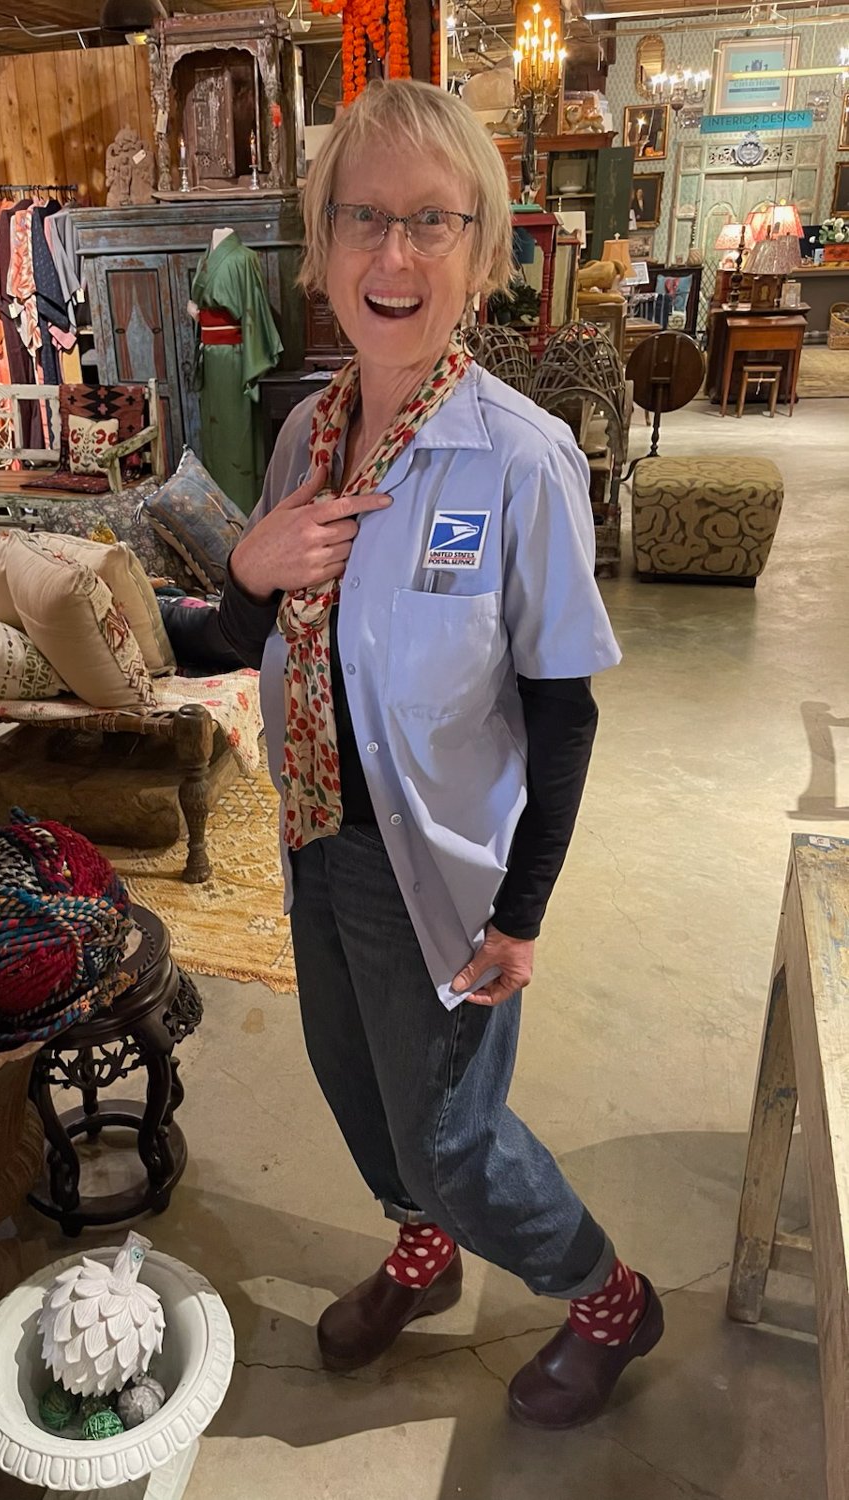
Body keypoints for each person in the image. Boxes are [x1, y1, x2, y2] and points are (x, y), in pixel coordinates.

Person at [218, 79, 661, 1429]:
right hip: (316, 837)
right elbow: (246, 626)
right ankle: (422, 1251)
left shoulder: (519, 462)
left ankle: (606, 1295)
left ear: (480, 252)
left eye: (431, 222)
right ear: (322, 243)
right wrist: (245, 567)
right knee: (356, 1089)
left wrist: (522, 914)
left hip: (447, 874)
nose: (394, 254)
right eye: (364, 218)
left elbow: (565, 712)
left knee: (457, 1139)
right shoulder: (305, 435)